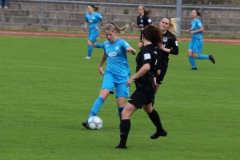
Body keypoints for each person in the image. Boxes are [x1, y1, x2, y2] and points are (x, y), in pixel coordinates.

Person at [115, 24, 167, 149]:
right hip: (150, 87)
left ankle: (122, 145)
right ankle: (160, 130)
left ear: (144, 36)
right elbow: (158, 71)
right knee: (149, 109)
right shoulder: (155, 50)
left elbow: (147, 67)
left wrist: (133, 78)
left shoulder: (145, 50)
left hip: (144, 88)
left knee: (125, 114)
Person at [82, 22, 137, 129]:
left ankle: (123, 125)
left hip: (122, 77)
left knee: (120, 105)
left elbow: (133, 50)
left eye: (110, 34)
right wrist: (100, 66)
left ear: (114, 32)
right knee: (103, 95)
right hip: (110, 74)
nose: (108, 37)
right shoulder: (106, 44)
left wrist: (132, 50)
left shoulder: (121, 43)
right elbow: (105, 54)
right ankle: (90, 120)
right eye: (106, 35)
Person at [155, 17, 179, 93]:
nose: (164, 25)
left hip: (162, 65)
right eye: (163, 22)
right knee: (148, 88)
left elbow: (176, 51)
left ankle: (149, 104)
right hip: (151, 63)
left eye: (166, 23)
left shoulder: (171, 37)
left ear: (169, 26)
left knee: (154, 90)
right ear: (159, 22)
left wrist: (165, 49)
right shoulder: (153, 33)